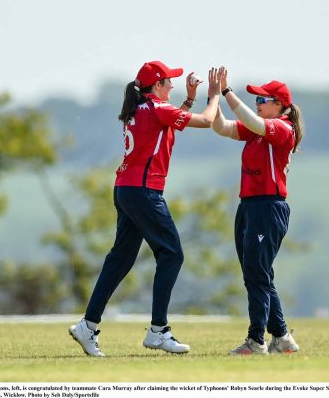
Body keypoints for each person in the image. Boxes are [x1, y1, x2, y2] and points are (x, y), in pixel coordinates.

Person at [69, 61, 222, 356]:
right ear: (156, 86)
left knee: (121, 259)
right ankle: (158, 331)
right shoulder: (158, 109)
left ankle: (87, 327)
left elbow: (169, 121)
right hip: (144, 191)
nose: (173, 85)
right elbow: (205, 121)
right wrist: (213, 96)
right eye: (169, 81)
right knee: (172, 254)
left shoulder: (140, 109)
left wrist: (188, 99)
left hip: (125, 189)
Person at [212, 68, 304, 355]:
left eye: (263, 99)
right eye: (257, 99)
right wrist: (214, 97)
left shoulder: (281, 127)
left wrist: (227, 93)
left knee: (256, 273)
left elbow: (250, 120)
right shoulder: (257, 127)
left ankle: (256, 341)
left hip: (268, 207)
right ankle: (283, 338)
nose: (258, 103)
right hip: (249, 206)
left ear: (279, 104)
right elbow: (223, 127)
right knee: (258, 273)